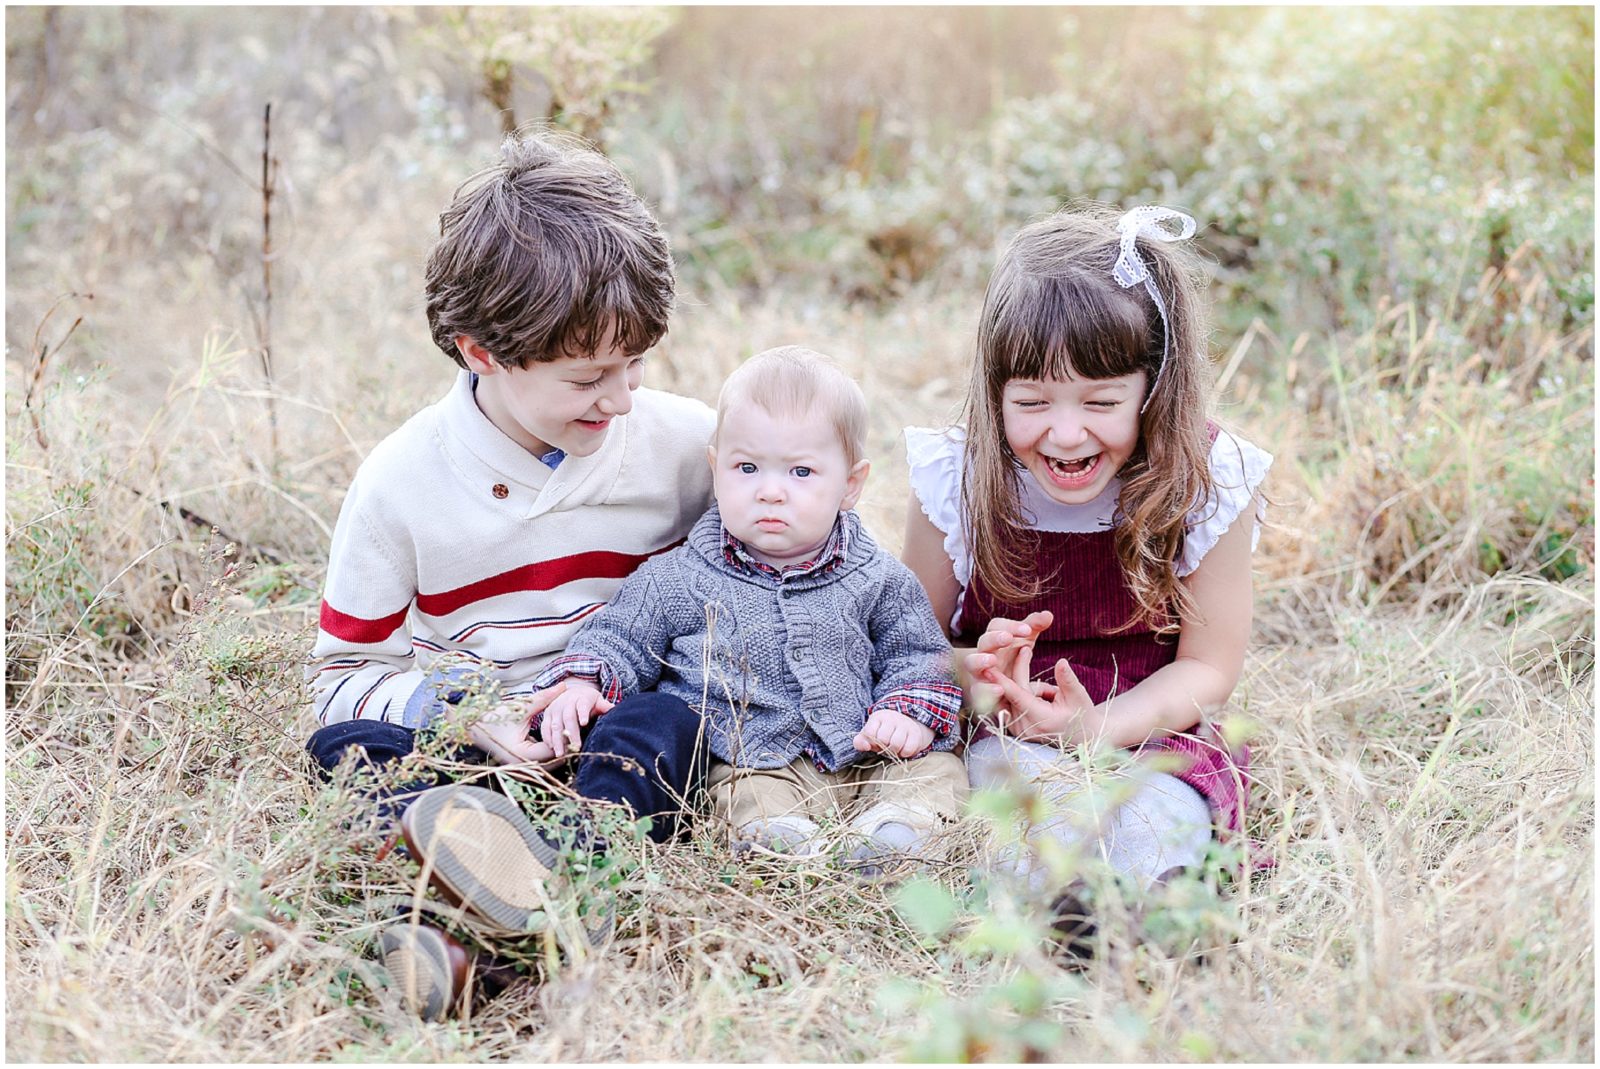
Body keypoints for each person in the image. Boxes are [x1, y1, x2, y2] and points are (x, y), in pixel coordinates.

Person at [303, 129, 716, 1019]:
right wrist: (473, 720)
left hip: (614, 741)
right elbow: (340, 678)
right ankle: (499, 894)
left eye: (637, 361)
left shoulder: (689, 447)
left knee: (668, 722)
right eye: (588, 377)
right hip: (475, 754)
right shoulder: (400, 483)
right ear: (481, 352)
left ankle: (490, 924)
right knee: (346, 752)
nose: (621, 398)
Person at [899, 205, 1272, 951]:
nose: (1066, 434)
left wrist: (1097, 727)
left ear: (1154, 387)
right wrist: (975, 672)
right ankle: (1073, 911)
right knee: (1012, 805)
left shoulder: (1211, 480)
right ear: (994, 389)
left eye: (1102, 403)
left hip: (1147, 722)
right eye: (1032, 403)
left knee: (1161, 810)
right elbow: (910, 645)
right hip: (1008, 727)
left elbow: (1209, 664)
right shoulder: (958, 475)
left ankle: (1157, 910)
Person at [534, 346, 967, 872]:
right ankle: (779, 845)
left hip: (870, 749)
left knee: (937, 772)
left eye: (802, 472)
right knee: (741, 796)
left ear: (850, 485)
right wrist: (584, 683)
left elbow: (919, 653)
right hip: (758, 762)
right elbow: (620, 637)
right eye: (747, 467)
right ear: (716, 469)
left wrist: (907, 711)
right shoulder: (681, 576)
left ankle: (895, 834)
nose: (770, 492)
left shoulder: (878, 578)